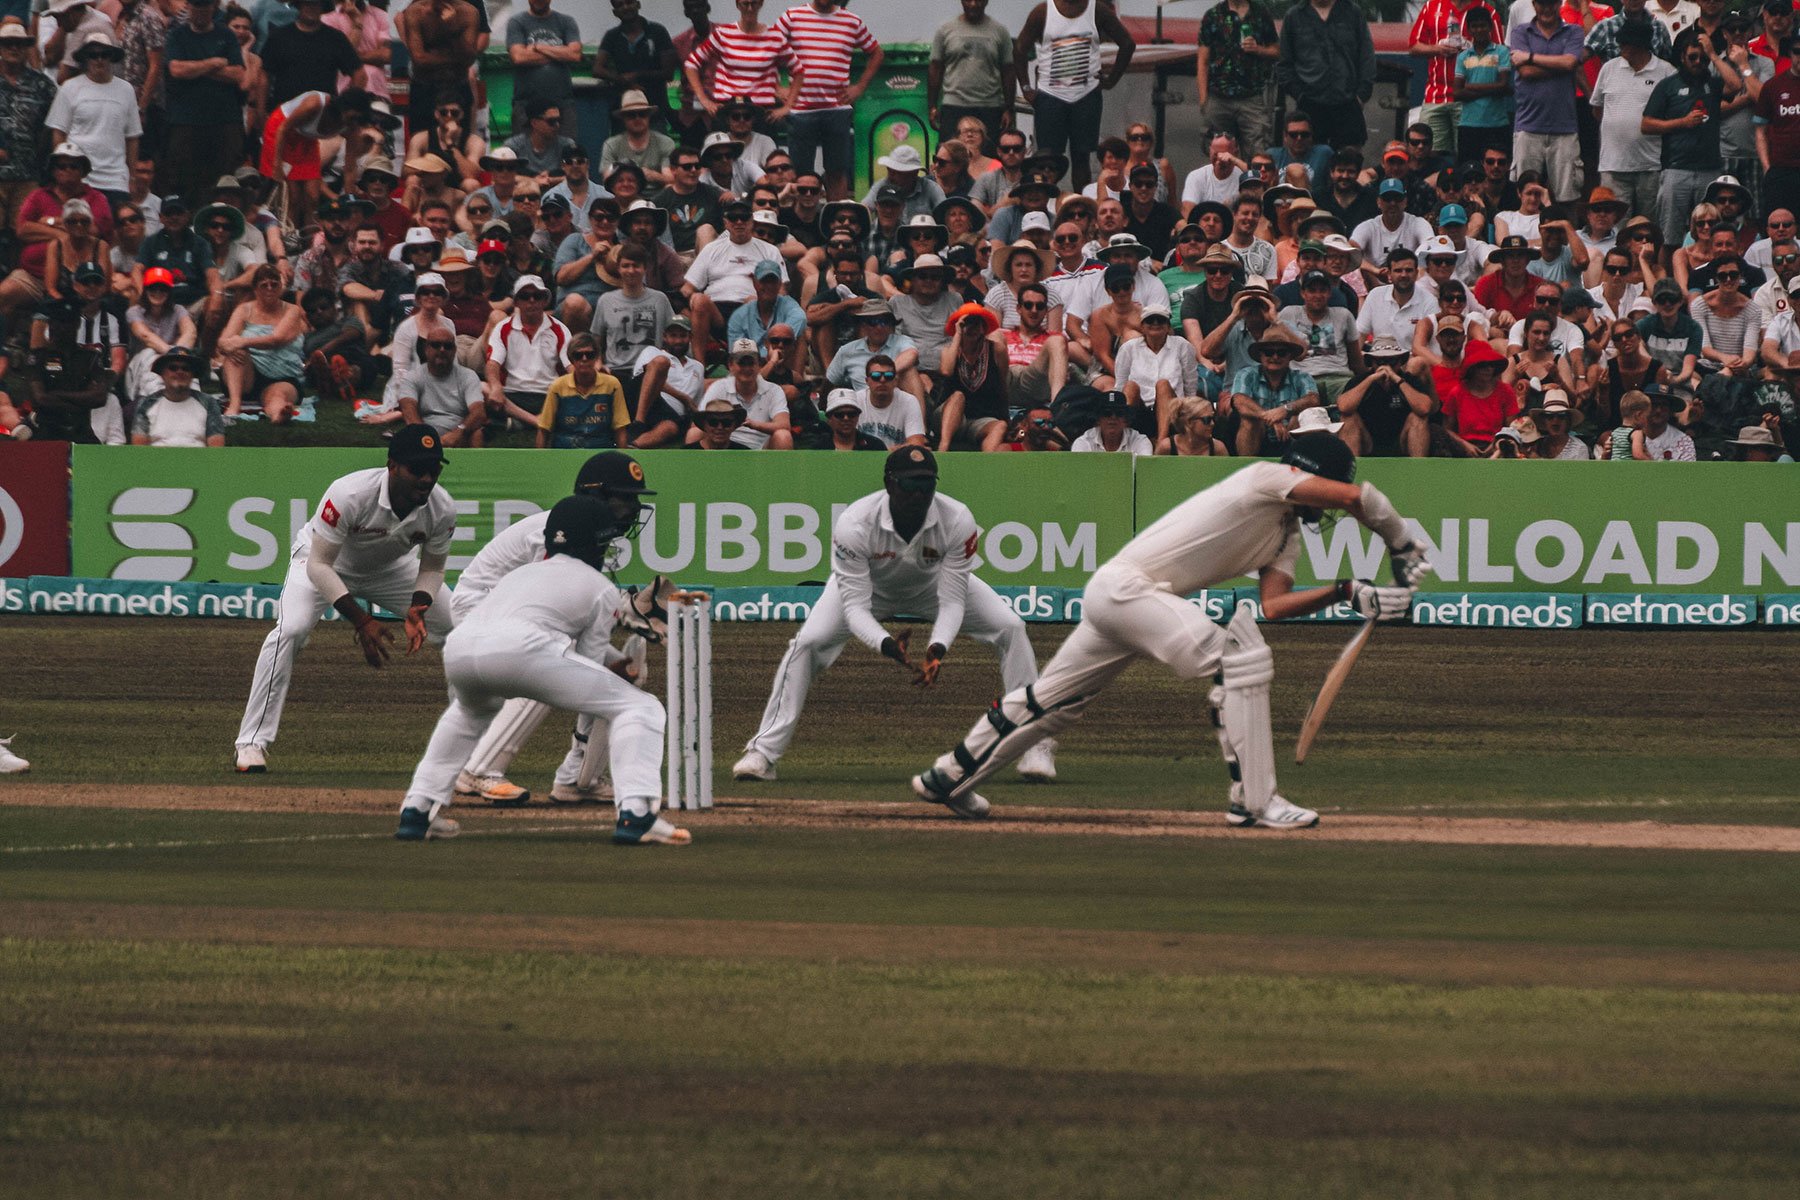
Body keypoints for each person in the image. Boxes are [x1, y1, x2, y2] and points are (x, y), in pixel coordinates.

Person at [912, 431, 1427, 825]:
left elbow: (1272, 605)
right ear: (1309, 474)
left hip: (1123, 599)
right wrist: (1403, 546)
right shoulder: (1265, 476)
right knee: (1240, 657)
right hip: (1128, 591)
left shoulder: (1284, 533)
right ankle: (1254, 801)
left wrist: (1345, 592)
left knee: (1052, 703)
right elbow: (1360, 500)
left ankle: (948, 776)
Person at [733, 445, 1054, 783]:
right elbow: (855, 607)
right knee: (808, 642)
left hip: (933, 586)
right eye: (909, 486)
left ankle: (1036, 744)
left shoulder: (958, 519)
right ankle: (763, 752)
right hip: (869, 590)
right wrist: (886, 644)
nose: (919, 495)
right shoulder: (854, 523)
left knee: (1011, 626)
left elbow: (953, 601)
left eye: (927, 486)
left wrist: (937, 648)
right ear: (889, 483)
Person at [398, 490, 685, 845]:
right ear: (596, 543)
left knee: (469, 713)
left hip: (461, 647)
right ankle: (637, 814)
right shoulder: (601, 589)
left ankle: (418, 809)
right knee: (639, 707)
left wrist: (613, 664)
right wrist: (619, 674)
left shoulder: (522, 573)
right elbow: (588, 662)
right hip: (522, 650)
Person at [233, 426, 457, 774]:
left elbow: (432, 569)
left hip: (391, 570)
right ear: (393, 465)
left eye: (434, 469)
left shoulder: (441, 507)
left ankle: (472, 747)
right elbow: (320, 567)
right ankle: (251, 744)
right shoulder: (350, 493)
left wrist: (418, 605)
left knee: (460, 627)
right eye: (418, 470)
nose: (427, 479)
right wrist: (363, 620)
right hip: (322, 561)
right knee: (289, 631)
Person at [1015, 0, 1134, 192]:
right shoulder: (1043, 11)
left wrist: (1111, 80)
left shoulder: (1097, 10)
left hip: (1085, 96)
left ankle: (1083, 205)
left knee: (1082, 157)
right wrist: (1026, 88)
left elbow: (1127, 44)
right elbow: (1019, 49)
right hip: (1050, 96)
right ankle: (1046, 206)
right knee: (1047, 158)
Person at [1642, 28, 1742, 238]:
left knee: (1709, 231)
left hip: (1709, 169)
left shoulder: (1712, 84)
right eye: (1693, 57)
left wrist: (1714, 55)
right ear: (1682, 57)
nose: (1698, 62)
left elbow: (1735, 85)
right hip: (1676, 169)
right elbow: (1647, 125)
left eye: (1703, 58)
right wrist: (1682, 123)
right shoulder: (1668, 85)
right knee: (1670, 233)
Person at [1277, 0, 1376, 150]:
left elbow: (1367, 55)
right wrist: (1299, 95)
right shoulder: (1294, 16)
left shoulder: (1353, 12)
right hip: (1310, 104)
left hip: (1348, 102)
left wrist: (1362, 95)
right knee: (1310, 166)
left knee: (1349, 163)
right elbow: (1284, 63)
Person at [219, 264, 305, 422]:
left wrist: (241, 341)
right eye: (264, 285)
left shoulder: (292, 310)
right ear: (255, 289)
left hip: (283, 375)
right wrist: (229, 346)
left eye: (274, 284)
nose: (270, 289)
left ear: (281, 287)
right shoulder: (244, 310)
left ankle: (279, 413)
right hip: (247, 376)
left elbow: (276, 339)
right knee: (236, 353)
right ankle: (235, 405)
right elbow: (224, 341)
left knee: (277, 395)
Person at [1196, 0, 1279, 158]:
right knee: (1218, 154)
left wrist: (1258, 49)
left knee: (1259, 153)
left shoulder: (1260, 13)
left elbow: (1276, 51)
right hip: (1218, 96)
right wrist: (1203, 100)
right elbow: (1203, 61)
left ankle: (1253, 182)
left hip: (1251, 97)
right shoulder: (1213, 15)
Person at [930, 0, 1015, 148]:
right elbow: (935, 68)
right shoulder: (945, 30)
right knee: (951, 157)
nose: (974, 4)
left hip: (990, 107)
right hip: (954, 106)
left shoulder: (1000, 31)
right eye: (969, 0)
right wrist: (932, 106)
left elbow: (1008, 71)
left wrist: (1009, 108)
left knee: (989, 160)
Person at [128, 345, 225, 447]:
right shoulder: (146, 404)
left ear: (192, 374)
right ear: (162, 373)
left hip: (198, 461)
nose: (180, 372)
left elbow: (216, 451)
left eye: (186, 368)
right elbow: (139, 450)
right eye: (173, 368)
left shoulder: (208, 403)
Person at [1072, 391, 1154, 454]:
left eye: (1119, 413)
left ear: (1125, 420)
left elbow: (1145, 472)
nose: (1113, 418)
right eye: (1107, 413)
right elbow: (1077, 472)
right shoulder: (1084, 442)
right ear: (1098, 420)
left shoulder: (1139, 441)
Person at [1633, 386, 1695, 456]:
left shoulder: (1684, 442)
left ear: (1671, 410)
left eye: (1664, 405)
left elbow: (1688, 467)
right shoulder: (1627, 437)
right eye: (1654, 404)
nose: (1658, 410)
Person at [1157, 394, 1228, 455]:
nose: (1212, 423)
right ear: (1189, 422)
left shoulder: (1218, 449)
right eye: (1207, 420)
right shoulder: (1166, 448)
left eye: (1213, 418)